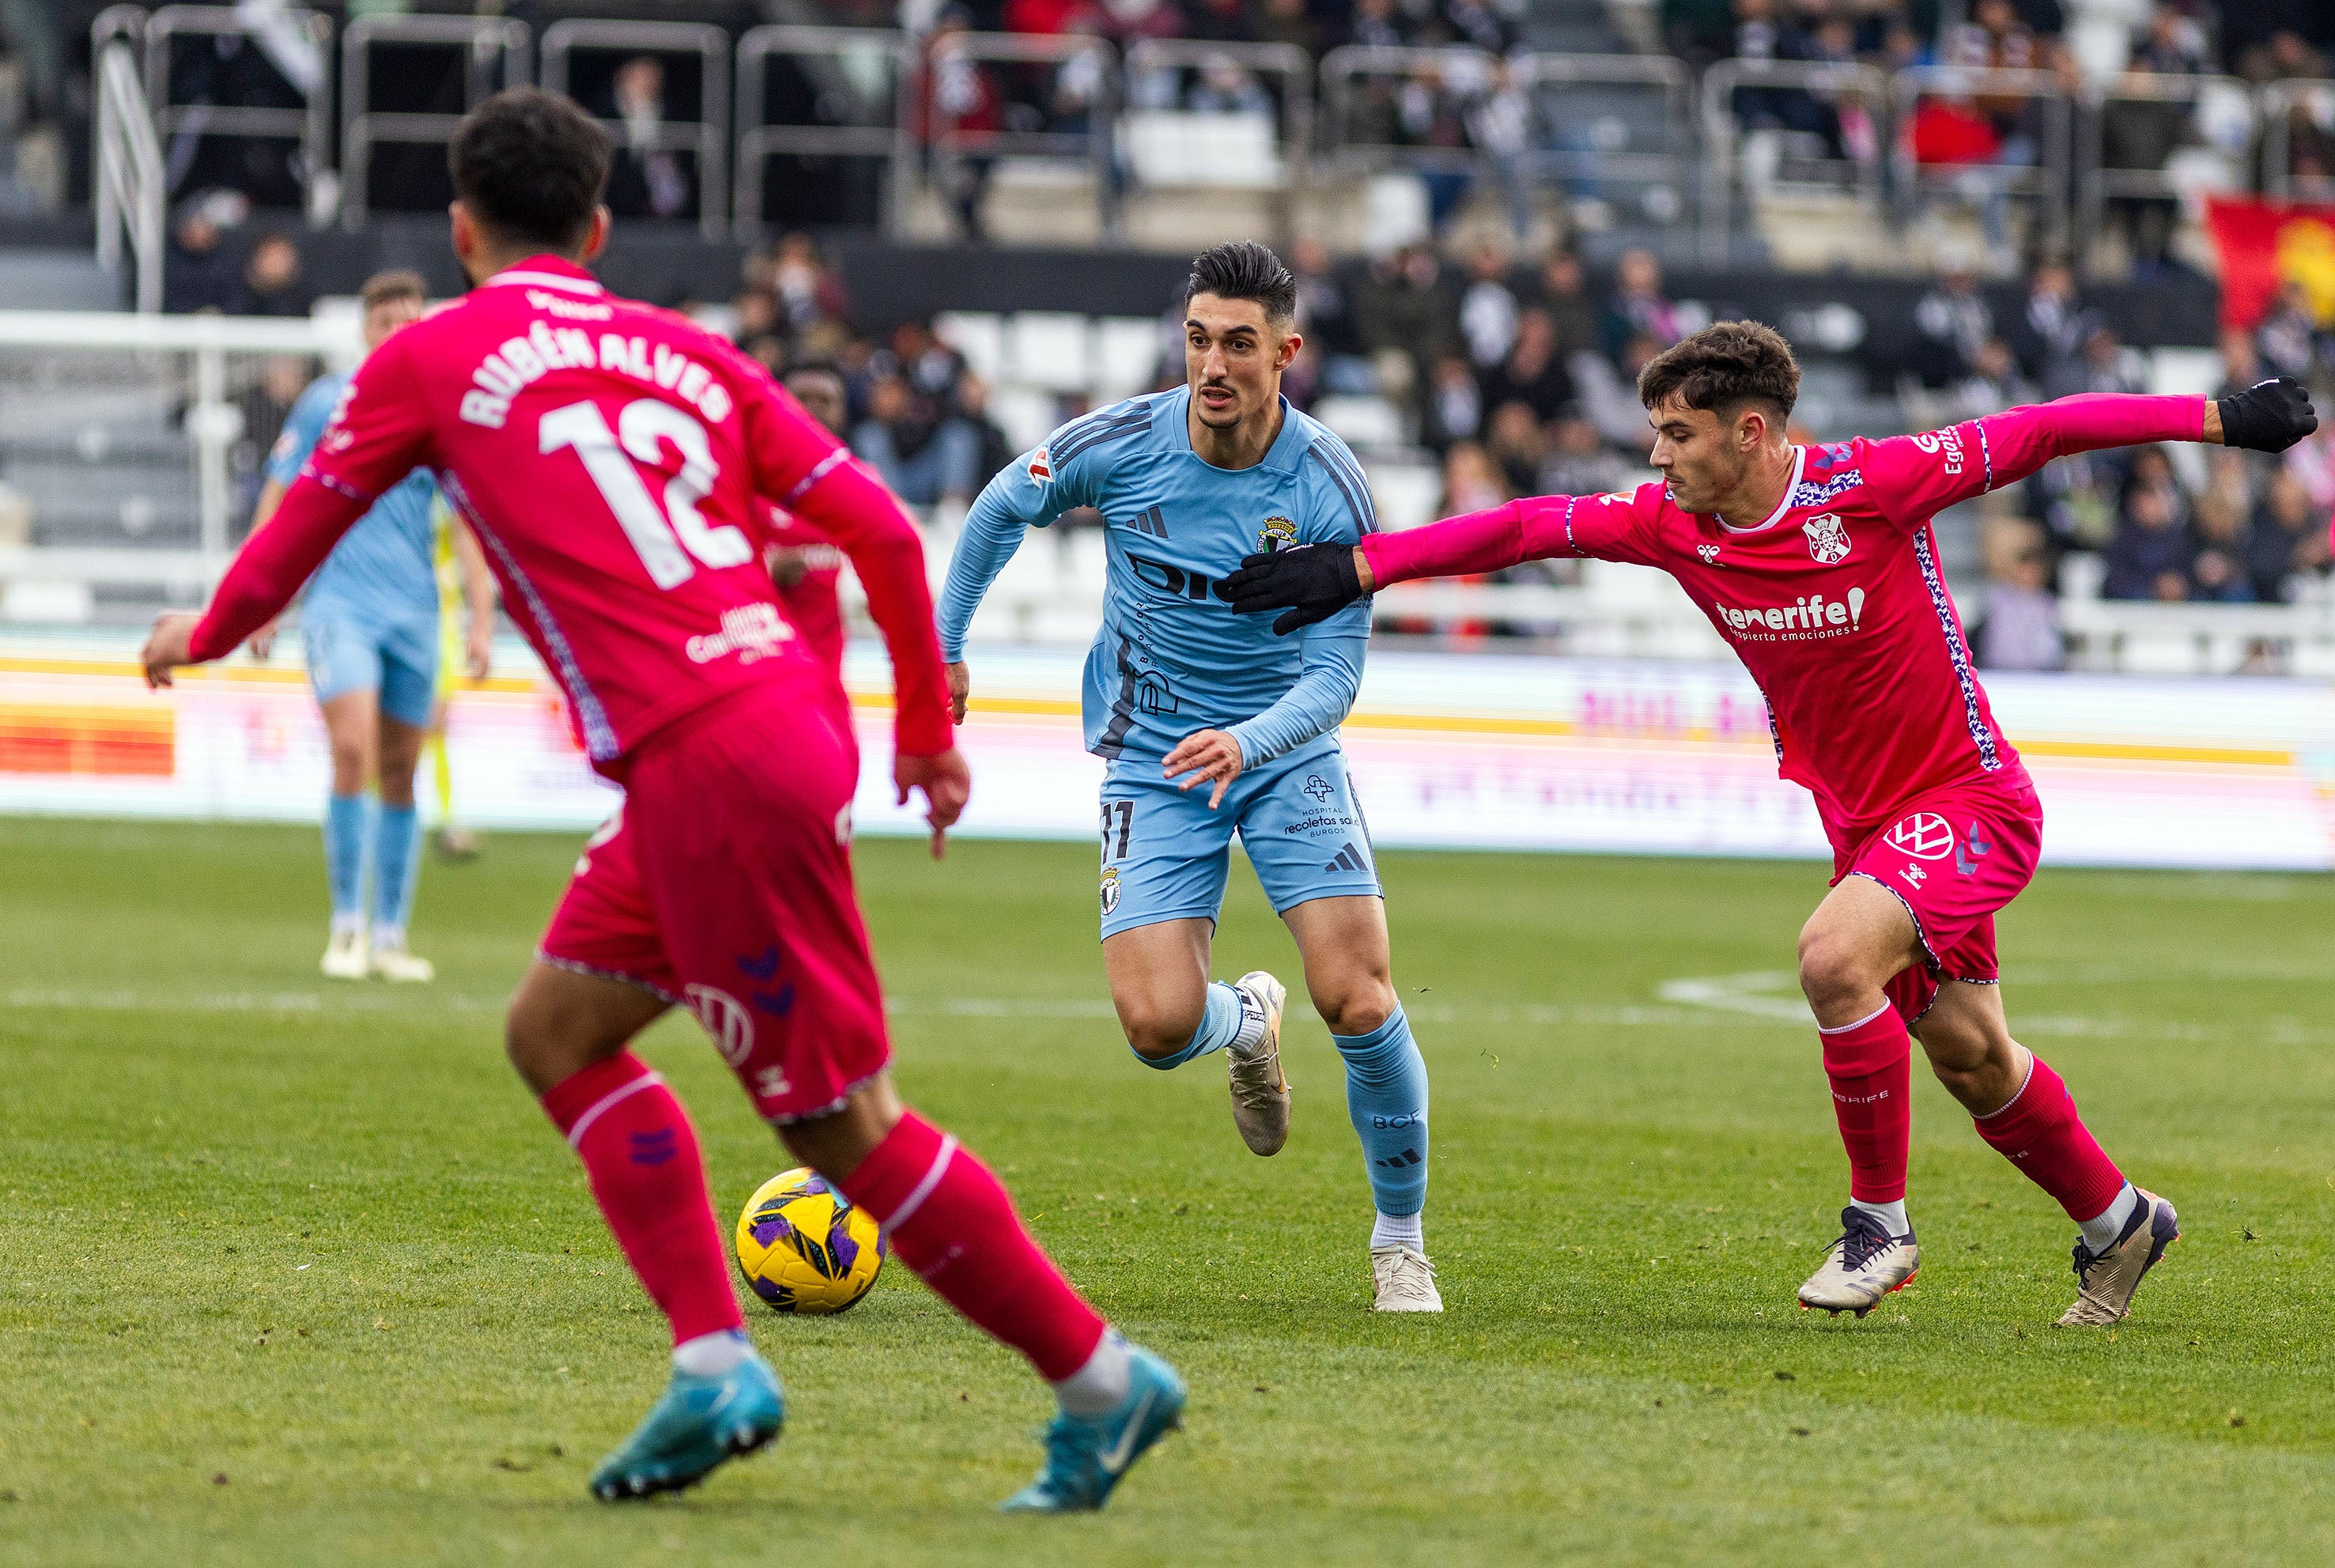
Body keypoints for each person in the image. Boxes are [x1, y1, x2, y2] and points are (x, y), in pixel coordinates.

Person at [138, 87, 1182, 1514]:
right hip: (761, 729)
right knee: (555, 1032)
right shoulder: (684, 352)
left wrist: (194, 631)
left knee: (842, 1128)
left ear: (460, 229)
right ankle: (710, 1361)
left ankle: (1101, 1380)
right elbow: (877, 524)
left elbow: (299, 529)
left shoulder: (432, 356)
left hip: (708, 761)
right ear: (603, 224)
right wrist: (927, 733)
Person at [1219, 320, 2320, 1325]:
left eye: (1676, 434)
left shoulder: (1876, 483)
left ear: (1750, 432)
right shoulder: (1669, 526)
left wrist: (2218, 418)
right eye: (1653, 434)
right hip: (1868, 827)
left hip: (1970, 800)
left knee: (1831, 957)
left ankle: (1878, 1226)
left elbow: (2044, 430)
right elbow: (1523, 529)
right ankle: (2120, 1221)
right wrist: (1359, 564)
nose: (1655, 459)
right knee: (1972, 1053)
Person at [936, 241, 1443, 1313]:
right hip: (1150, 754)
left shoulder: (1326, 483)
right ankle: (1245, 1024)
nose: (1214, 363)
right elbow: (996, 509)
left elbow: (1333, 677)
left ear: (1287, 354)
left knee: (1356, 993)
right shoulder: (1124, 441)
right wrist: (944, 647)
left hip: (1284, 752)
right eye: (1199, 338)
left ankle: (1399, 1239)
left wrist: (1251, 740)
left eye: (1240, 344)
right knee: (1158, 1026)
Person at [248, 269, 495, 980]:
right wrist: (262, 594)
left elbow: (468, 522)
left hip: (416, 611)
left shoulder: (442, 413)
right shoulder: (327, 402)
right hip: (339, 604)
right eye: (384, 321)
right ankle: (346, 927)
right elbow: (278, 492)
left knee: (400, 771)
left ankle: (390, 935)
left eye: (408, 320)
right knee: (351, 751)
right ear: (365, 331)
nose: (396, 332)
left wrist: (480, 620)